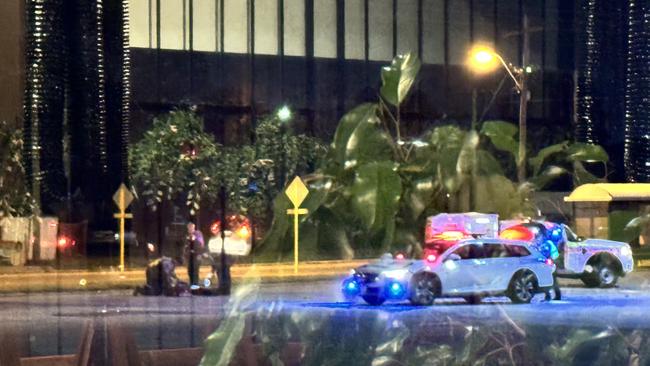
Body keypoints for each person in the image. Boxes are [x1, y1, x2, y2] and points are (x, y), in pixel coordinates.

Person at [185, 222, 205, 286]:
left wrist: (195, 240)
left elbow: (201, 244)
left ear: (194, 227)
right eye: (189, 228)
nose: (190, 229)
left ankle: (195, 285)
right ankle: (192, 284)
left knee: (195, 271)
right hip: (189, 256)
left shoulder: (198, 234)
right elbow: (185, 245)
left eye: (191, 228)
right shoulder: (187, 235)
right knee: (189, 271)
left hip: (196, 255)